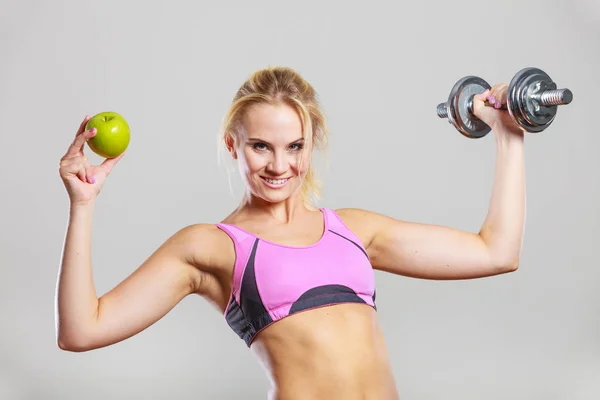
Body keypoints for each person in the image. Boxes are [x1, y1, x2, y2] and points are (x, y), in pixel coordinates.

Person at [56, 66, 525, 399]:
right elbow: (81, 330)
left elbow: (496, 252)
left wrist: (509, 136)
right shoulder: (210, 246)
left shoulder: (354, 230)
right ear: (231, 145)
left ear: (311, 143)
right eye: (260, 146)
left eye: (295, 146)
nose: (279, 166)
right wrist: (83, 206)